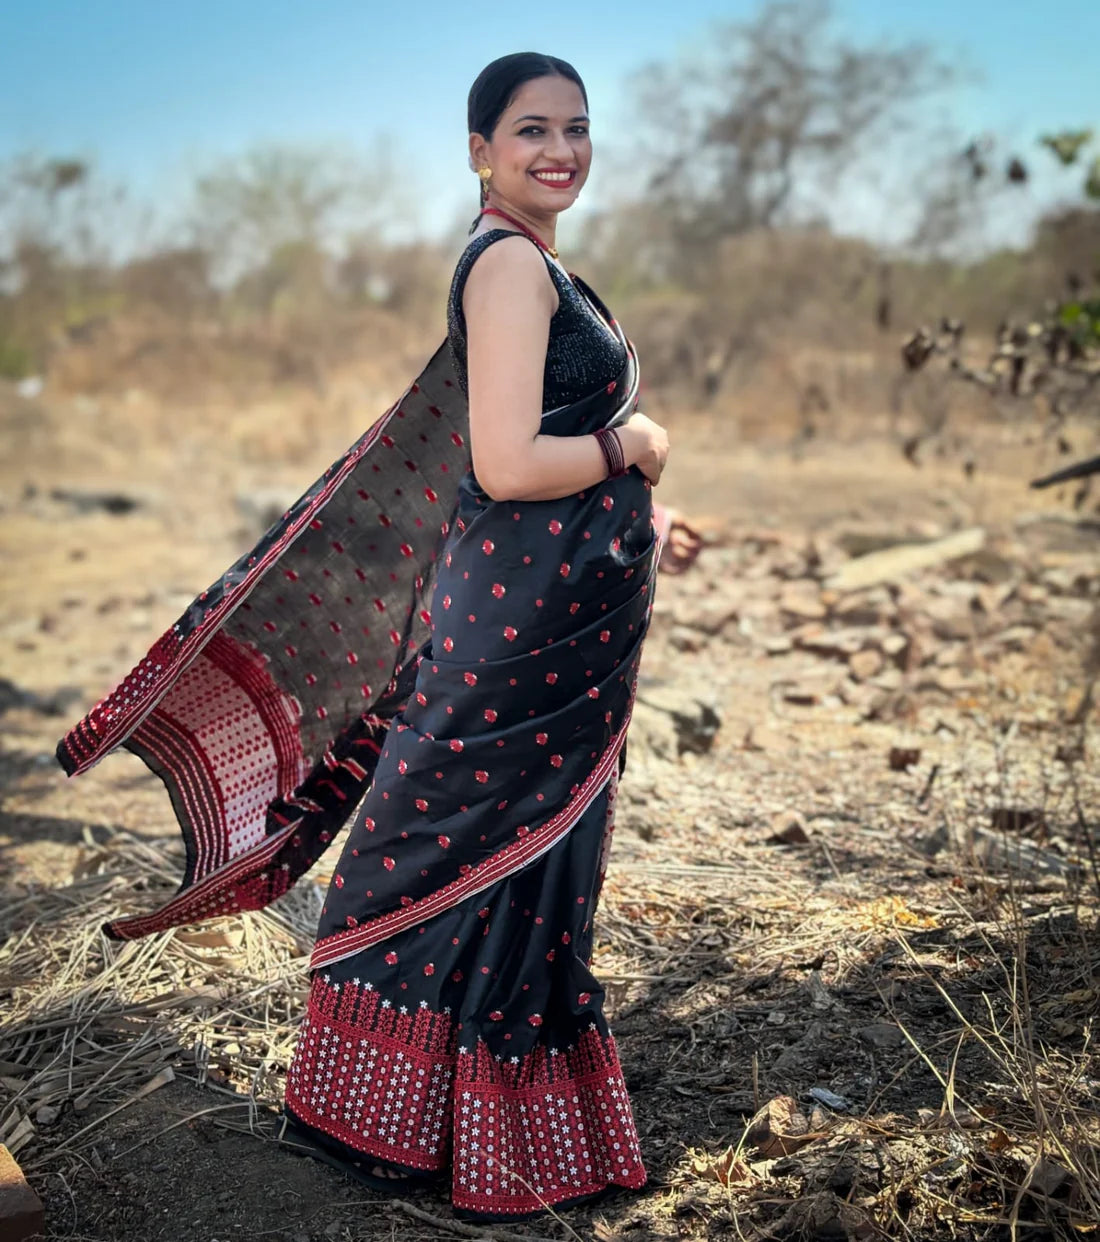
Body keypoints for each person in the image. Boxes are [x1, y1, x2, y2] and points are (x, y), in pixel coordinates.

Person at [56, 51, 679, 1223]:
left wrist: (645, 509)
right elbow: (504, 465)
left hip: (545, 622)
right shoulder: (507, 269)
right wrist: (630, 451)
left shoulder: (539, 265)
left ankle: (441, 1120)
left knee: (503, 863)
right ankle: (416, 1121)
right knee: (460, 854)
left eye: (577, 129)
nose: (560, 150)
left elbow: (536, 434)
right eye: (532, 129)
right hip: (513, 631)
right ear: (478, 149)